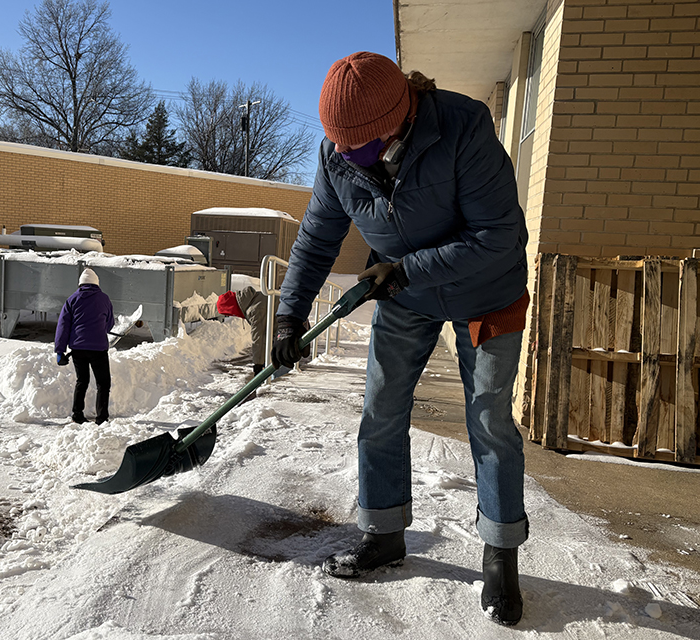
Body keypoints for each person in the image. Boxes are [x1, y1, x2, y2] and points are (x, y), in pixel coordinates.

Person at [271, 51, 530, 626]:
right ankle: (383, 533)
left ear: (398, 117)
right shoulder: (339, 158)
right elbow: (316, 240)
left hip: (488, 291)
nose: (343, 154)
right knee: (381, 409)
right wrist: (288, 317)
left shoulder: (463, 128)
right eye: (337, 142)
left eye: (355, 142)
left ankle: (500, 554)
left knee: (488, 418)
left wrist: (407, 267)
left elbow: (497, 233)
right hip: (406, 295)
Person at [55, 268, 115, 424]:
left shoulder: (72, 299)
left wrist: (60, 351)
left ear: (80, 284)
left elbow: (63, 326)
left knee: (82, 381)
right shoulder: (104, 299)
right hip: (99, 349)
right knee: (103, 383)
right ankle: (102, 418)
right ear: (96, 283)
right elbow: (110, 324)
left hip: (78, 349)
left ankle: (77, 415)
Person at [217, 285, 270, 377]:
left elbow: (259, 338)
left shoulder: (255, 310)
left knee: (280, 364)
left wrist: (258, 364)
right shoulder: (254, 299)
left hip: (292, 324)